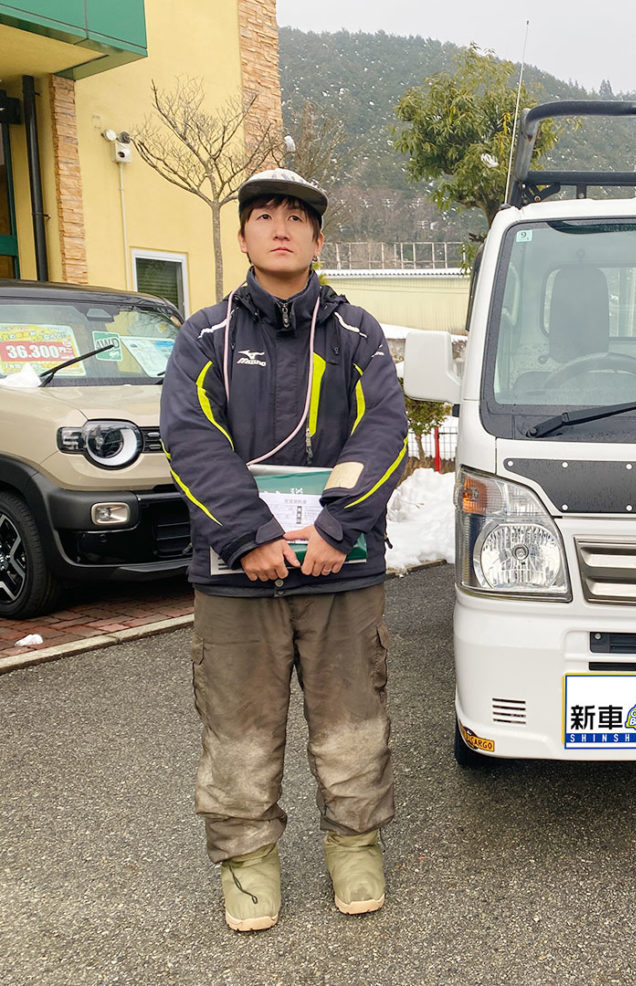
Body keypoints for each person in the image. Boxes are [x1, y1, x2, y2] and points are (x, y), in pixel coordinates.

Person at [160, 168, 408, 932]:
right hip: (237, 577)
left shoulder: (357, 332)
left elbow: (384, 429)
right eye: (264, 215)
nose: (281, 227)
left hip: (341, 571)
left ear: (318, 238)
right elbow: (190, 441)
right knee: (238, 728)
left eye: (297, 218)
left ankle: (355, 845)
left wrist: (336, 529)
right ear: (243, 237)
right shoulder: (203, 336)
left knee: (352, 721)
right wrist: (250, 537)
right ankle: (246, 863)